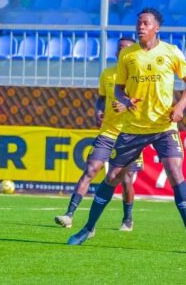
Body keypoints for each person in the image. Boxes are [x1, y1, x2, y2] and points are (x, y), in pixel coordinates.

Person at [67, 8, 186, 256]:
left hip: (164, 126)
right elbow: (118, 89)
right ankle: (87, 228)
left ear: (156, 27)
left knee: (175, 172)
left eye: (146, 23)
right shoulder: (128, 55)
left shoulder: (171, 52)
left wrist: (180, 107)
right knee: (113, 177)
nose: (141, 27)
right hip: (133, 128)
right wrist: (125, 100)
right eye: (139, 23)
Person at [56, 38, 141, 232]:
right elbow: (101, 98)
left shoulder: (140, 77)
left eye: (127, 49)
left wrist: (127, 105)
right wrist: (98, 111)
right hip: (107, 133)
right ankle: (69, 215)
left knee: (126, 179)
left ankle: (128, 218)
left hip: (131, 135)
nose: (122, 51)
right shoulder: (108, 74)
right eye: (120, 48)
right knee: (90, 170)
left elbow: (146, 104)